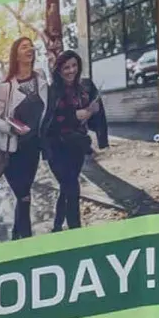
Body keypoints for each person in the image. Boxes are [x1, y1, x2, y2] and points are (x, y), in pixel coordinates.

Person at [37, 47, 110, 234]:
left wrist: (98, 131)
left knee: (67, 187)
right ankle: (76, 232)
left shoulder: (85, 87)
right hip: (56, 147)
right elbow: (48, 122)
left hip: (76, 146)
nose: (71, 71)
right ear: (59, 70)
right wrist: (75, 115)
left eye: (74, 66)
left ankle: (57, 224)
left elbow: (97, 114)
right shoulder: (51, 91)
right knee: (72, 188)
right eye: (66, 67)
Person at [0, 35, 48, 240]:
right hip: (12, 152)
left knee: (24, 197)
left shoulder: (40, 79)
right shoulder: (6, 87)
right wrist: (12, 129)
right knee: (23, 196)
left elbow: (45, 111)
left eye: (31, 46)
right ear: (16, 54)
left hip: (33, 149)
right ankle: (26, 237)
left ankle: (17, 236)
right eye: (24, 47)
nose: (30, 49)